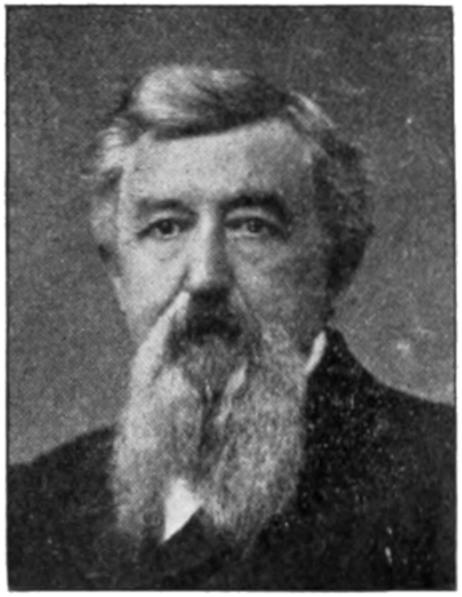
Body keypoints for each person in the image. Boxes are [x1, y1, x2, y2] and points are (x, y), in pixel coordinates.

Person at [8, 65, 454, 590]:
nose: (206, 277)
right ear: (118, 274)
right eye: (166, 227)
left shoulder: (445, 476)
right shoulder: (29, 506)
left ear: (337, 265)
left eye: (251, 227)